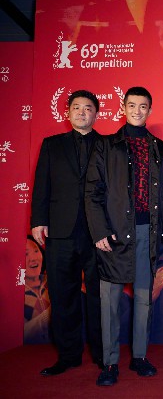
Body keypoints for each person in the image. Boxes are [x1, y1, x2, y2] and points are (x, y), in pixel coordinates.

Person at [85, 86, 163, 386]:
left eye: (143, 106)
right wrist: (99, 231)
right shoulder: (106, 146)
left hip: (148, 231)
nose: (137, 111)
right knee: (109, 300)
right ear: (123, 108)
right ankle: (110, 363)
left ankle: (139, 357)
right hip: (113, 233)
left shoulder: (161, 148)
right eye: (132, 105)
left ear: (150, 110)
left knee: (144, 297)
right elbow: (92, 192)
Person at [31, 89, 103, 375]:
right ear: (68, 112)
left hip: (98, 232)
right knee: (63, 295)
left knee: (99, 295)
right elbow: (41, 185)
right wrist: (39, 220)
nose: (82, 112)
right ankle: (68, 355)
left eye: (88, 108)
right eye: (77, 107)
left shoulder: (108, 145)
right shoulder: (52, 145)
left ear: (96, 114)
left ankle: (102, 354)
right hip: (60, 231)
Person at [24, 236, 51, 344]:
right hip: (31, 352)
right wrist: (51, 312)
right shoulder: (13, 293)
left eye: (36, 251)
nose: (33, 258)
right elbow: (22, 334)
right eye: (26, 254)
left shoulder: (53, 280)